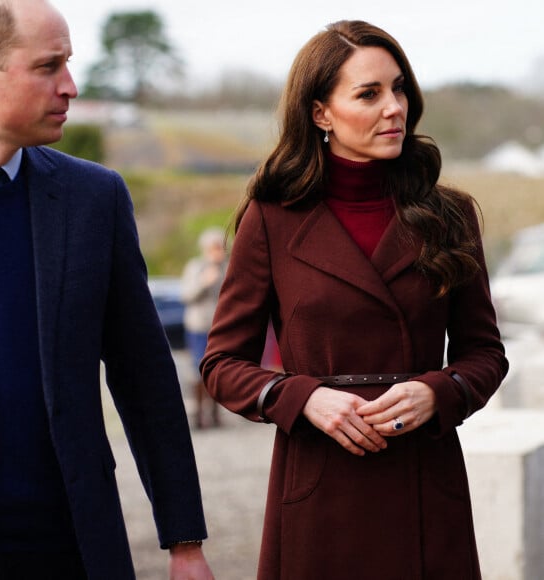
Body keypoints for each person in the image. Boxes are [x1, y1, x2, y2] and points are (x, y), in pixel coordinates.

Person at [201, 20, 509, 580]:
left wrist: (438, 391)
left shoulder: (450, 215)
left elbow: (485, 354)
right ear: (321, 113)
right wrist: (300, 397)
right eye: (369, 94)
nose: (394, 107)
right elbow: (222, 365)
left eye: (399, 89)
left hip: (423, 479)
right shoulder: (270, 218)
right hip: (320, 485)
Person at [0, 1, 214, 579]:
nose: (71, 86)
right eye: (49, 66)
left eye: (69, 64)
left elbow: (145, 374)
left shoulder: (94, 198)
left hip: (74, 547)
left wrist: (185, 541)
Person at [180, 228, 227, 429]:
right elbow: (186, 295)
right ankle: (198, 416)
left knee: (219, 369)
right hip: (199, 327)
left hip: (219, 327)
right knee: (198, 370)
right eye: (214, 247)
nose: (218, 251)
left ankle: (215, 415)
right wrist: (203, 282)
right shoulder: (196, 267)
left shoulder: (228, 267)